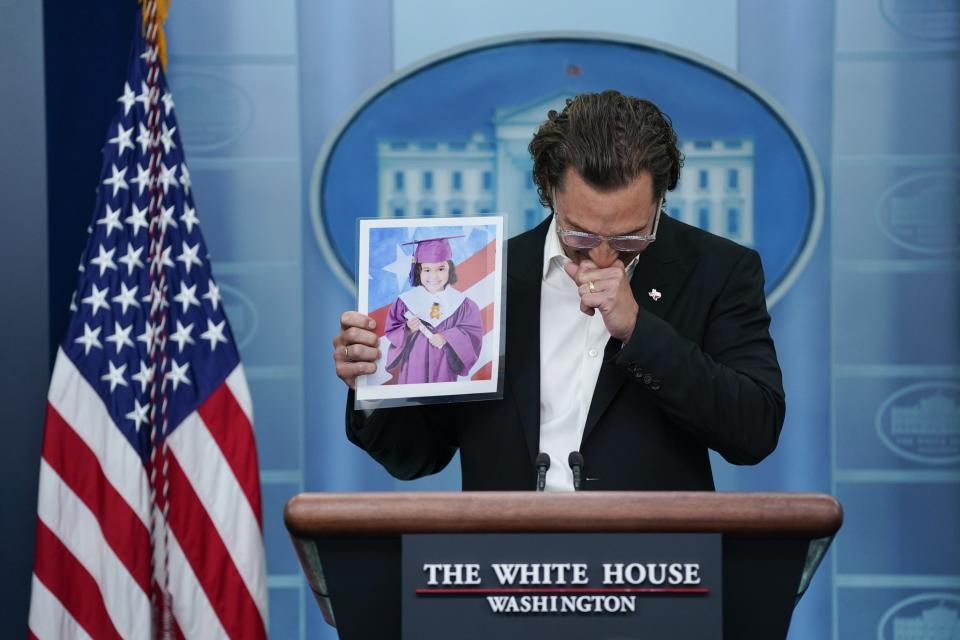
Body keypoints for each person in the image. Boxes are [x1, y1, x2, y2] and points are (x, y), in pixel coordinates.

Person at [333, 90, 785, 491]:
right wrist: (372, 386)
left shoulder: (719, 269)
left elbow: (754, 431)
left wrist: (640, 333)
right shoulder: (484, 282)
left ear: (661, 200)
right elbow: (416, 457)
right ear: (550, 190)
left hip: (657, 566)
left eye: (630, 239)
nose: (606, 257)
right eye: (582, 236)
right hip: (505, 564)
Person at [383, 236, 484, 384]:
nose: (434, 276)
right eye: (427, 269)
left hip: (444, 367)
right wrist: (408, 329)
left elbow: (473, 334)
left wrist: (447, 337)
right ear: (418, 271)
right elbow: (392, 330)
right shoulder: (404, 302)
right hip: (413, 366)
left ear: (450, 268)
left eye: (441, 268)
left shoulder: (464, 305)